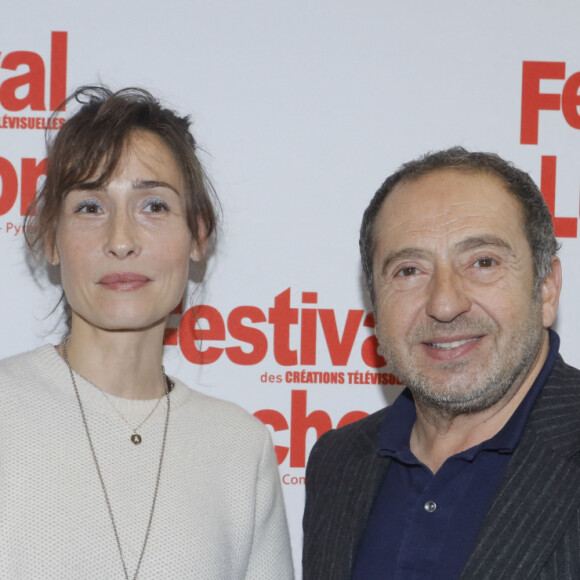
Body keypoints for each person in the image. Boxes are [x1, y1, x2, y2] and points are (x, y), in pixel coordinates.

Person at [0, 86, 294, 579]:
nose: (121, 240)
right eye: (90, 207)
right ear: (51, 239)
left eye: (153, 206)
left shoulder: (240, 447)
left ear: (198, 236)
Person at [303, 147, 580, 579]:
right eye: (409, 271)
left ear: (546, 289)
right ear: (374, 302)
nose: (445, 304)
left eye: (483, 262)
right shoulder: (337, 462)